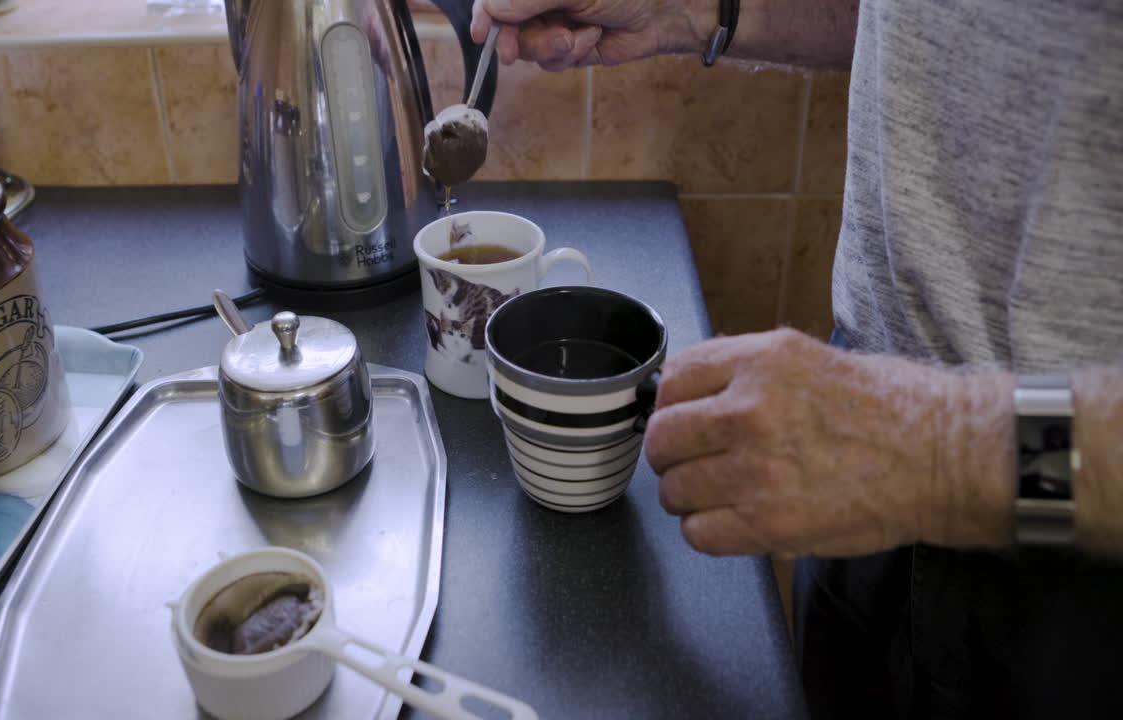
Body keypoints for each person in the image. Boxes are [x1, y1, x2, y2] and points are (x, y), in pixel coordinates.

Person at [468, 1, 1123, 718]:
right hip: (866, 467)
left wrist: (948, 450)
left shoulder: (938, 450)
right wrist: (693, 10)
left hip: (1072, 557)